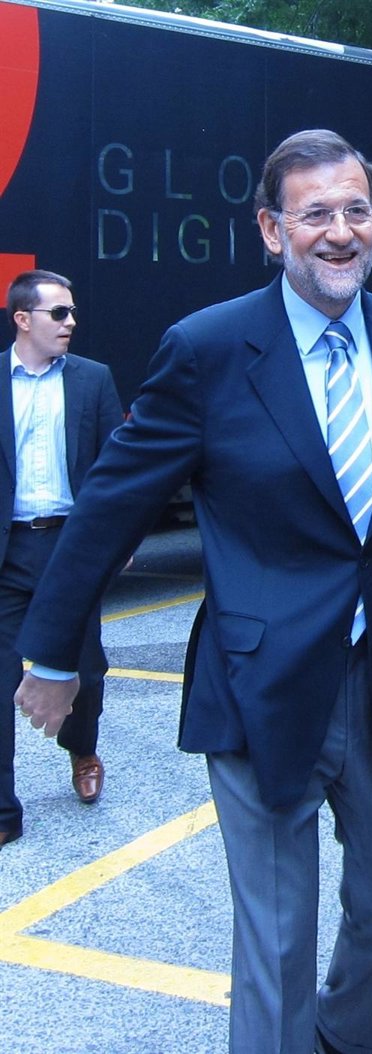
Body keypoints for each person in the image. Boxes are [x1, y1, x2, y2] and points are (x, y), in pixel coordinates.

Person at [14, 129, 372, 1054]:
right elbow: (110, 509)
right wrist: (55, 656)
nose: (340, 231)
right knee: (279, 946)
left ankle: (340, 1040)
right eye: (315, 213)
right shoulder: (209, 350)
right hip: (259, 686)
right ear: (270, 229)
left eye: (357, 210)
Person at [0, 270, 123, 848]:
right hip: (9, 549)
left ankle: (82, 749)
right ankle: (4, 810)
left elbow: (116, 470)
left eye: (72, 312)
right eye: (58, 313)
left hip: (71, 547)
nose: (70, 322)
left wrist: (115, 542)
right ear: (23, 320)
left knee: (86, 671)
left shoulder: (93, 380)